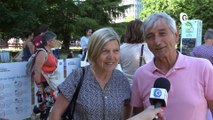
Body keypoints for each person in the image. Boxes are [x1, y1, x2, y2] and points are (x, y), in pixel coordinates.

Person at [130, 12, 213, 120]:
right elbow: (139, 115)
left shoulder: (203, 68)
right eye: (150, 37)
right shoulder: (140, 75)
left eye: (162, 33)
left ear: (176, 35)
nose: (157, 41)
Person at [49, 27, 131, 120]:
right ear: (93, 53)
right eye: (105, 51)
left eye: (116, 51)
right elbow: (55, 115)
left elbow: (126, 110)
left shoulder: (121, 80)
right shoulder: (78, 77)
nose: (111, 56)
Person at [33, 31, 58, 119]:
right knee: (51, 102)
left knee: (48, 103)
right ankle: (38, 110)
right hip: (44, 82)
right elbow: (37, 70)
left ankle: (38, 110)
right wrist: (39, 86)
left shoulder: (50, 51)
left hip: (50, 81)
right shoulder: (42, 52)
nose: (56, 41)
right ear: (48, 42)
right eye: (54, 40)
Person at [120, 19, 153, 85]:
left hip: (125, 85)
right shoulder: (146, 48)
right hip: (141, 85)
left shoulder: (121, 48)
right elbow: (152, 67)